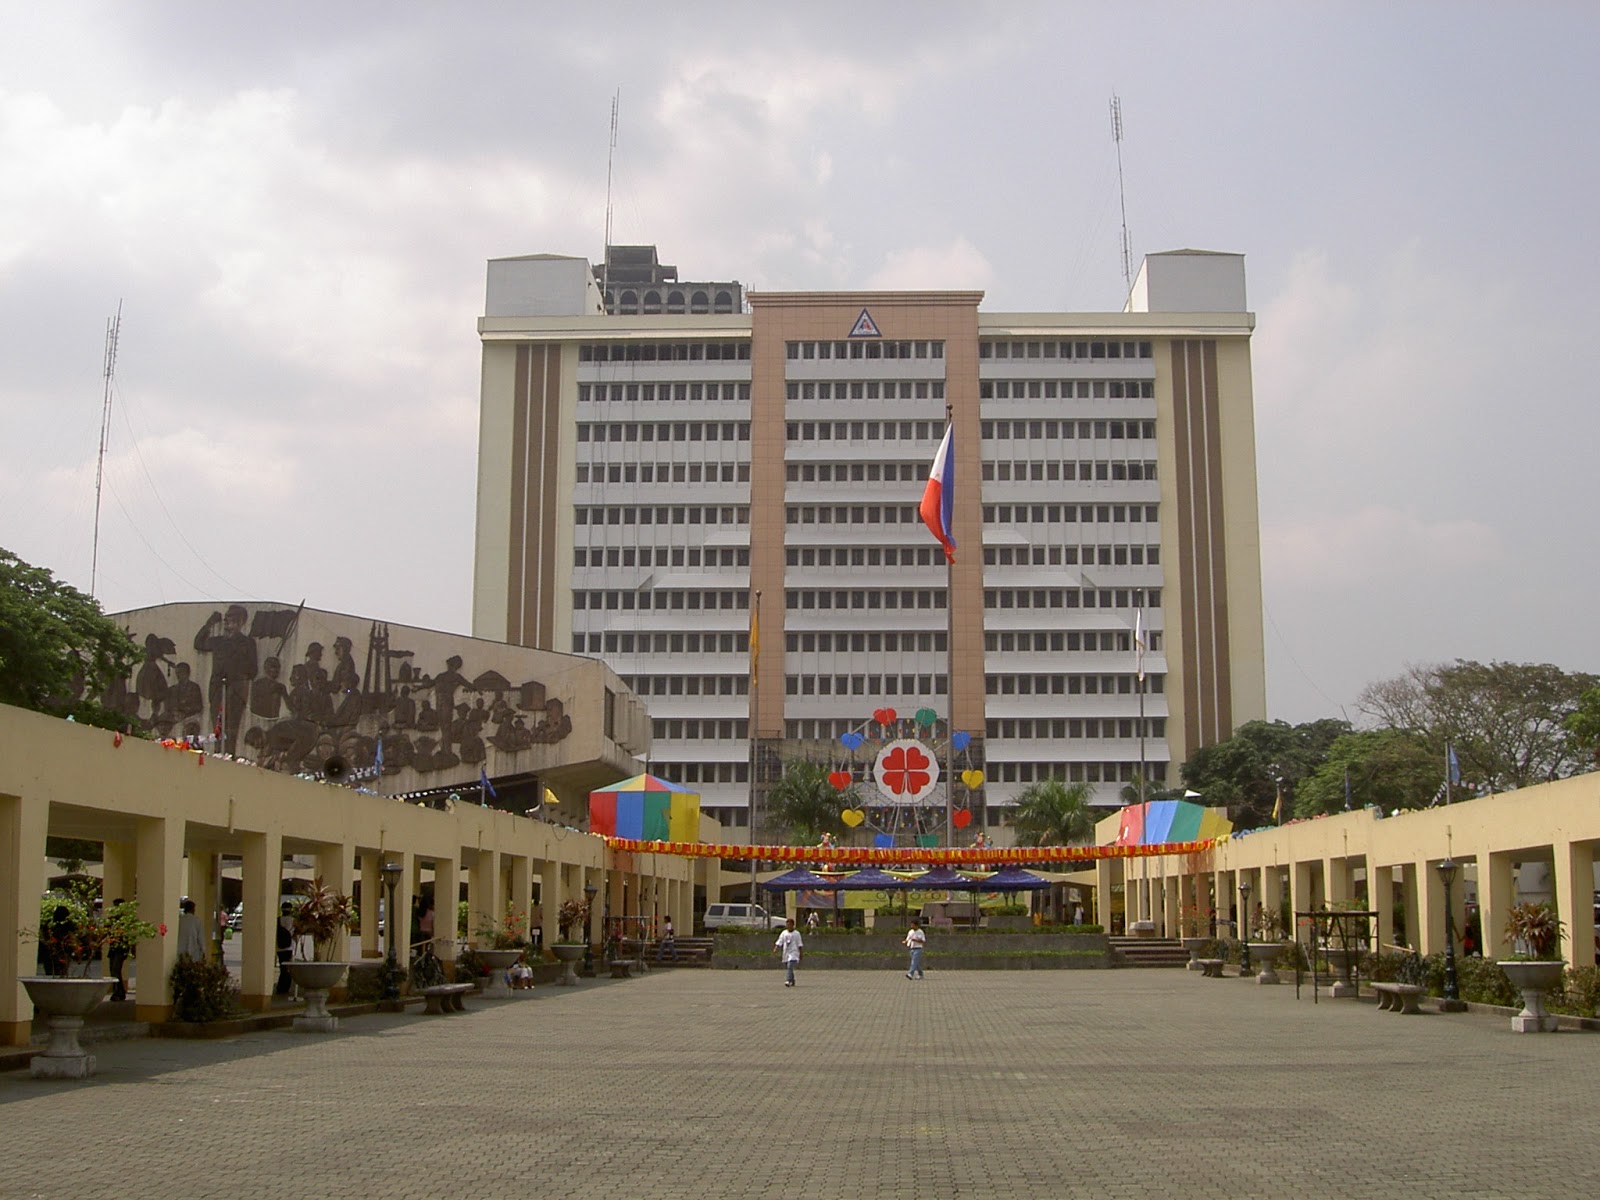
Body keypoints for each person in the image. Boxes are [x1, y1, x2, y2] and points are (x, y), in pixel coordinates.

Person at [107, 897, 130, 1000]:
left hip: (121, 948)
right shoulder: (113, 919)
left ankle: (119, 992)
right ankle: (118, 991)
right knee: (113, 970)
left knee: (116, 970)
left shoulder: (125, 920)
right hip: (114, 947)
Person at [774, 917, 803, 987]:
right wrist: (776, 948)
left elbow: (800, 944)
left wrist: (801, 953)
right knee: (789, 967)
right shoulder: (784, 933)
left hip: (794, 953)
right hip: (786, 953)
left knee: (790, 966)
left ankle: (788, 980)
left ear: (793, 925)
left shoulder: (797, 934)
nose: (789, 926)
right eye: (787, 925)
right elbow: (779, 941)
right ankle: (792, 980)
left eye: (790, 925)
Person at [275, 902, 295, 995]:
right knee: (288, 968)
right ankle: (285, 986)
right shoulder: (292, 920)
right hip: (289, 947)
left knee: (282, 967)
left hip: (279, 947)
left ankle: (280, 986)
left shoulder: (278, 920)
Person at [177, 898, 206, 962]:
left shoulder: (180, 920)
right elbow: (200, 937)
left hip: (180, 950)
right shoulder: (197, 920)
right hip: (194, 951)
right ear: (193, 909)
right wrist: (203, 950)